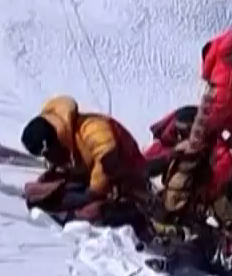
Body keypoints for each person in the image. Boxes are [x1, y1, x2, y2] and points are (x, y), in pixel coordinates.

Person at [158, 28, 232, 248]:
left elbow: (208, 115)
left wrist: (192, 149)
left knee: (212, 188)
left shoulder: (225, 69)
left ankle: (224, 238)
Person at [20, 95, 151, 228]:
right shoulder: (65, 143)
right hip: (89, 179)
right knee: (39, 189)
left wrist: (93, 191)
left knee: (94, 210)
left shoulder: (91, 127)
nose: (48, 158)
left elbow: (107, 159)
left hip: (123, 182)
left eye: (47, 154)